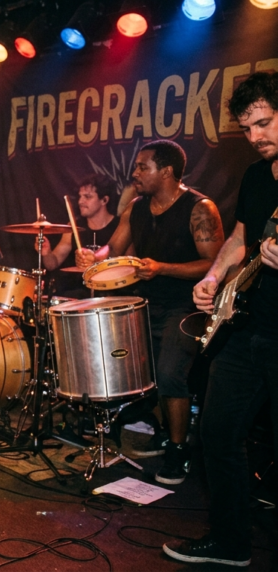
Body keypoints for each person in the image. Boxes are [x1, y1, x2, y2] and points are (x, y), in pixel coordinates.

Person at [162, 71, 278, 567]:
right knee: (217, 432)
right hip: (247, 326)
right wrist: (213, 278)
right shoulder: (256, 176)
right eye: (247, 128)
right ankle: (231, 542)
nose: (255, 137)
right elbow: (239, 239)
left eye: (264, 123)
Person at [76, 140, 224, 485]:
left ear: (167, 171)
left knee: (171, 375)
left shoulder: (200, 208)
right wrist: (93, 258)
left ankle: (178, 450)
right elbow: (113, 249)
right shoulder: (137, 207)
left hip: (185, 306)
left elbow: (214, 264)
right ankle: (161, 432)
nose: (136, 172)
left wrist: (163, 268)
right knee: (143, 374)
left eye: (143, 167)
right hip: (144, 303)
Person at [37, 174, 120, 298]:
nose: (80, 201)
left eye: (87, 197)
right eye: (80, 196)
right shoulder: (73, 226)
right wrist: (46, 252)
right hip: (80, 296)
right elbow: (52, 264)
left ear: (104, 200)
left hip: (112, 294)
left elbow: (128, 263)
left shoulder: (120, 226)